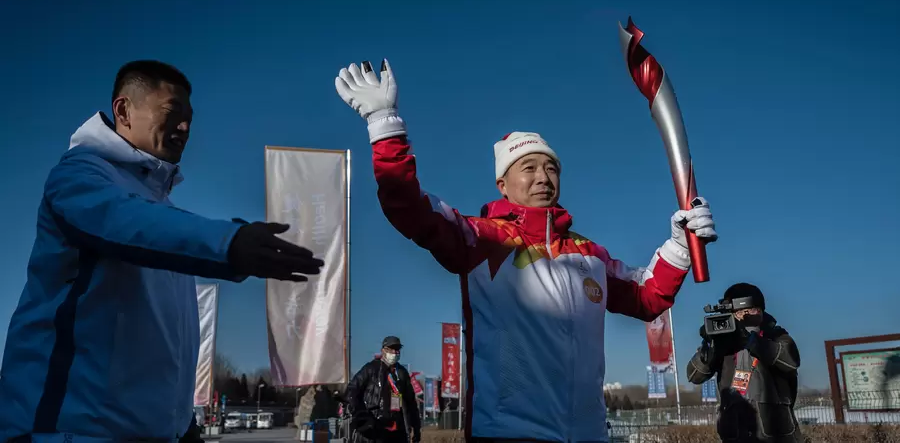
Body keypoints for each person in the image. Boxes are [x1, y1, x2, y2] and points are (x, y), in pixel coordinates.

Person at [334, 60, 718, 442]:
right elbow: (407, 207)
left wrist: (680, 245)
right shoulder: (481, 238)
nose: (542, 177)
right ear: (503, 183)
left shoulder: (590, 255)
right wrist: (384, 123)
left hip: (588, 435)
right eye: (529, 167)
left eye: (551, 169)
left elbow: (648, 297)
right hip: (509, 433)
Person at [0, 60, 324, 443]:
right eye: (172, 113)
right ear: (123, 110)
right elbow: (123, 220)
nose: (185, 129)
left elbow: (163, 340)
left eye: (190, 118)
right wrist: (230, 243)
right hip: (64, 431)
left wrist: (181, 423)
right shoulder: (77, 177)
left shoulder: (162, 209)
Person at [686, 283, 802, 443]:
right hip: (735, 434)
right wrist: (711, 350)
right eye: (738, 312)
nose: (742, 317)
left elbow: (790, 361)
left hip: (777, 434)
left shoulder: (776, 336)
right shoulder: (724, 343)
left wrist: (753, 341)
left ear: (760, 311)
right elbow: (694, 376)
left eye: (748, 311)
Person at [345, 336, 421, 443]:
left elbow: (411, 402)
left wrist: (416, 427)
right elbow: (352, 391)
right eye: (391, 349)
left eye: (397, 349)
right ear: (383, 350)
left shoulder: (402, 373)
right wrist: (361, 416)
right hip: (374, 427)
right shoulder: (371, 368)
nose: (394, 352)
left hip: (397, 429)